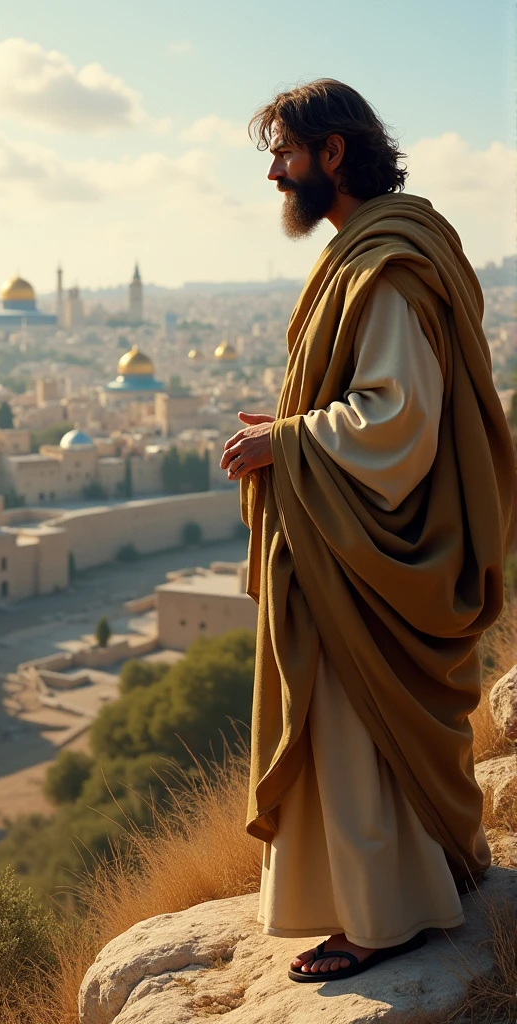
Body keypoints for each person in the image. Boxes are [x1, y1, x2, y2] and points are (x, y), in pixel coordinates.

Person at [219, 79, 515, 983]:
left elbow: (397, 419)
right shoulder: (376, 247)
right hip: (355, 535)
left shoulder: (384, 263)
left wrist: (286, 443)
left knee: (352, 727)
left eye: (284, 154)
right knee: (356, 733)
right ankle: (410, 883)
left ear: (332, 154)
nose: (274, 175)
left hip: (372, 552)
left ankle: (385, 921)